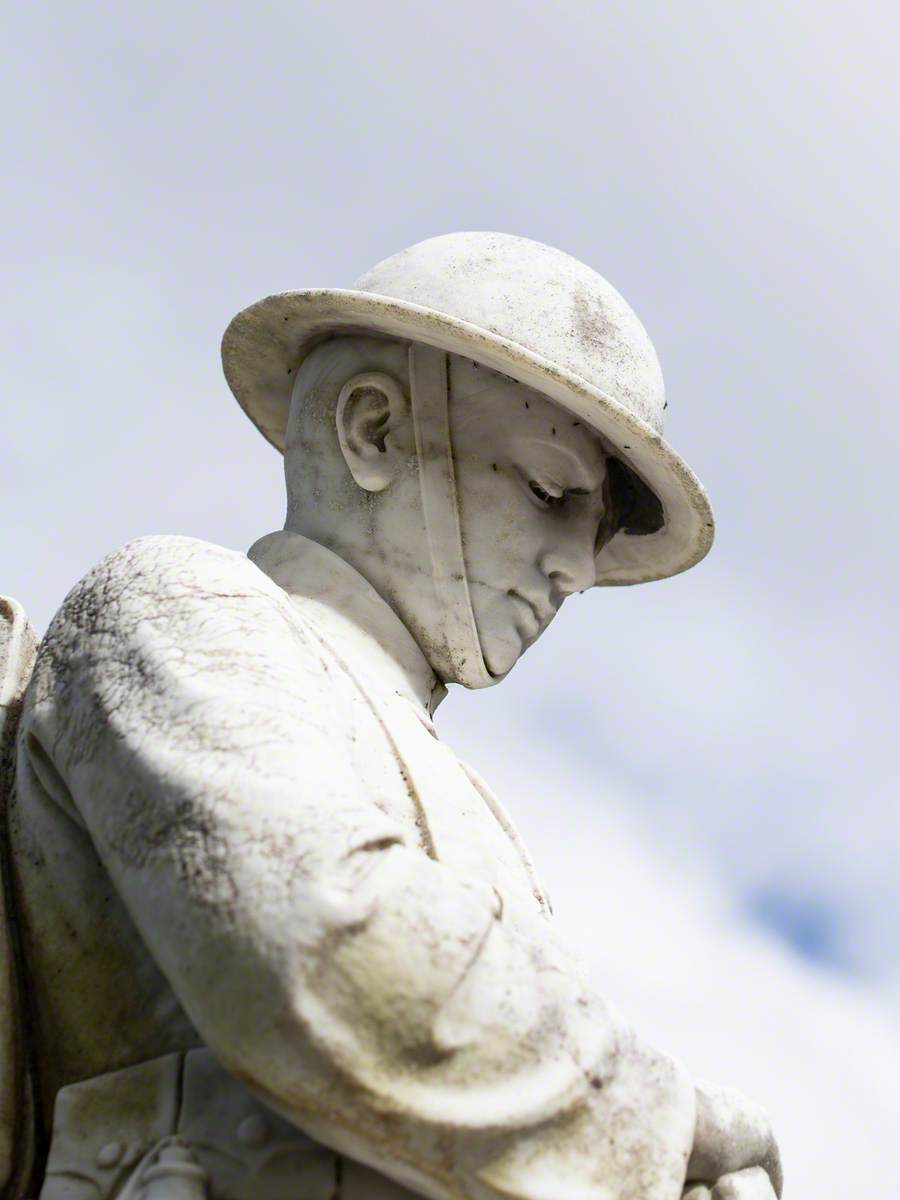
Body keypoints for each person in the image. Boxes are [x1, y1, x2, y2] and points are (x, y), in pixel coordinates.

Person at [2, 233, 780, 1200]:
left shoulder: (484, 813)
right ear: (372, 430)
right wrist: (665, 1126)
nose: (575, 569)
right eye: (550, 493)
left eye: (598, 533)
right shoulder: (178, 601)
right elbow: (313, 947)